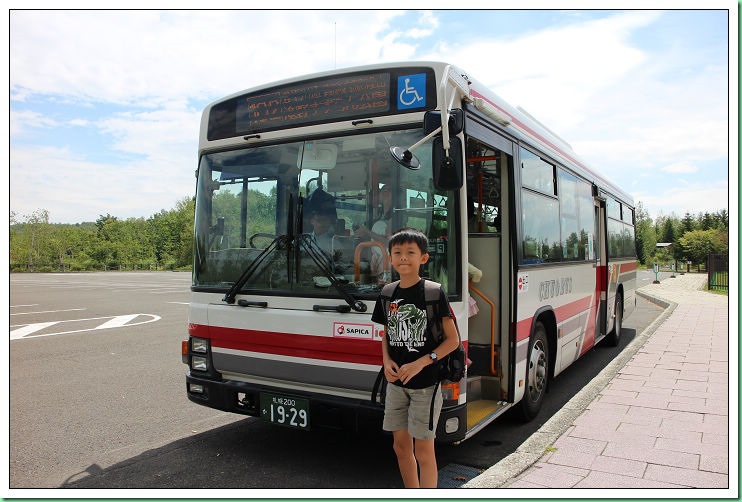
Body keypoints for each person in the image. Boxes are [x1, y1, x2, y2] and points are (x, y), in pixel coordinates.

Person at [370, 228, 460, 488]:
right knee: (400, 447)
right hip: (396, 383)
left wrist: (422, 361)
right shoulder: (387, 293)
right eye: (397, 253)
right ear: (390, 258)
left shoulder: (433, 292)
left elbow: (452, 340)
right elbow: (386, 334)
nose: (403, 258)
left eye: (411, 252)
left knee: (424, 451)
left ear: (423, 258)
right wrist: (386, 362)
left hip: (425, 385)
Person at [355, 184, 393, 278]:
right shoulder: (379, 216)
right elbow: (375, 238)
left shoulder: (394, 216)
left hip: (387, 261)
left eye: (389, 190)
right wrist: (363, 233)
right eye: (383, 189)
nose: (385, 191)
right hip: (376, 261)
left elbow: (390, 243)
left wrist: (367, 231)